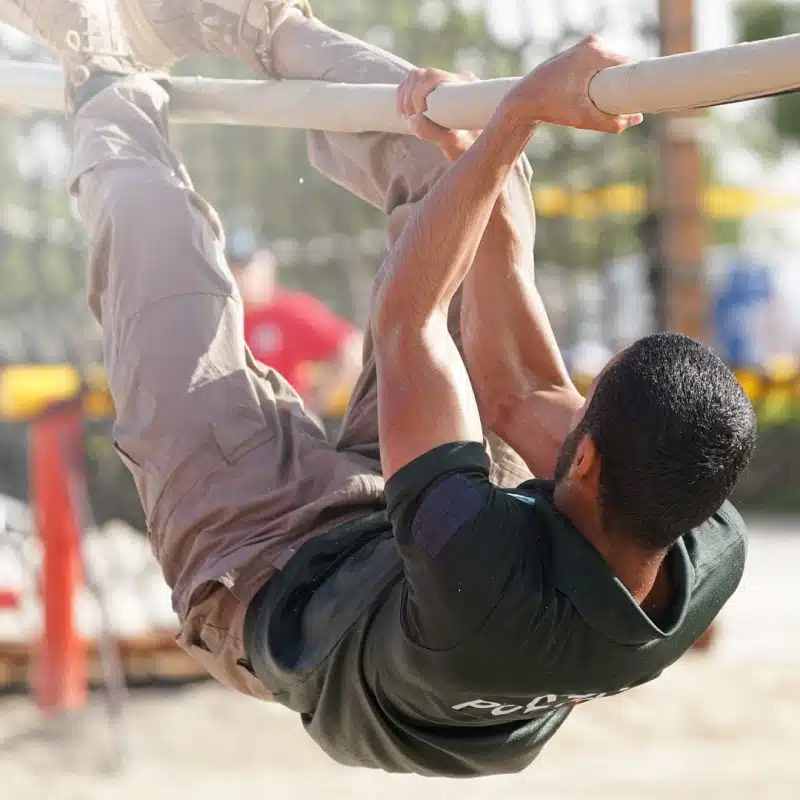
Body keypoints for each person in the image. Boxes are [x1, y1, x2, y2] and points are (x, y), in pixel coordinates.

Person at [7, 0, 757, 778]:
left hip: (266, 570)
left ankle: (101, 71)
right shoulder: (703, 540)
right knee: (464, 173)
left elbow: (414, 320)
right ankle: (259, 26)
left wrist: (518, 119)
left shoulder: (486, 580)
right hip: (420, 544)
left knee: (153, 250)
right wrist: (487, 144)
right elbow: (518, 391)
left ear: (588, 459)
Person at [229, 247, 362, 416]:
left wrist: (317, 403)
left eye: (246, 269)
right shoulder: (226, 319)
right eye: (236, 270)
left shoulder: (291, 310)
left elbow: (352, 347)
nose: (241, 278)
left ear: (267, 268)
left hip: (286, 424)